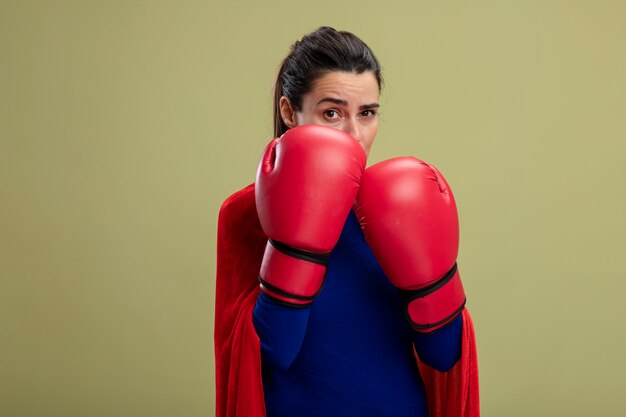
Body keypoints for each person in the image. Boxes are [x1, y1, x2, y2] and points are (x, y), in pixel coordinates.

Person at [215, 27, 479, 417]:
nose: (355, 135)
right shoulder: (244, 214)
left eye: (367, 113)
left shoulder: (404, 203)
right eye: (332, 113)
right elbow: (271, 354)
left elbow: (443, 357)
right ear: (290, 112)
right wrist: (298, 240)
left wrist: (435, 281)